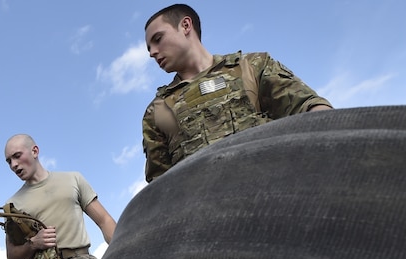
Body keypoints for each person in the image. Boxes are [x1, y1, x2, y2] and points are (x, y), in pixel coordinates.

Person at [142, 4, 332, 182]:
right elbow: (161, 187)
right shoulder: (157, 110)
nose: (152, 52)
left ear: (185, 26)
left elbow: (311, 110)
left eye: (157, 39)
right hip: (208, 211)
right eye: (149, 48)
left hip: (280, 191)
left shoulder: (252, 66)